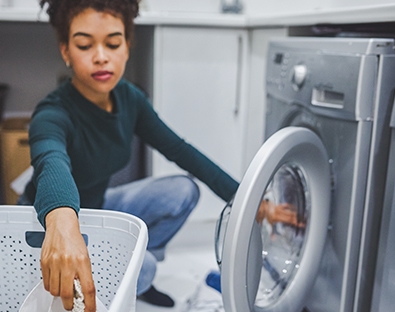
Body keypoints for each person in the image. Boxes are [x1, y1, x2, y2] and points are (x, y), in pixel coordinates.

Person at [18, 0, 239, 310]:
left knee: (182, 191)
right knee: (144, 268)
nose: (101, 57)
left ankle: (128, 269)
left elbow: (180, 150)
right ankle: (132, 273)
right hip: (46, 227)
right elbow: (51, 162)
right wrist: (63, 221)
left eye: (113, 43)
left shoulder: (130, 99)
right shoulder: (52, 112)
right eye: (84, 45)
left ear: (127, 46)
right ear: (66, 51)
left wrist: (245, 199)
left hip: (97, 206)